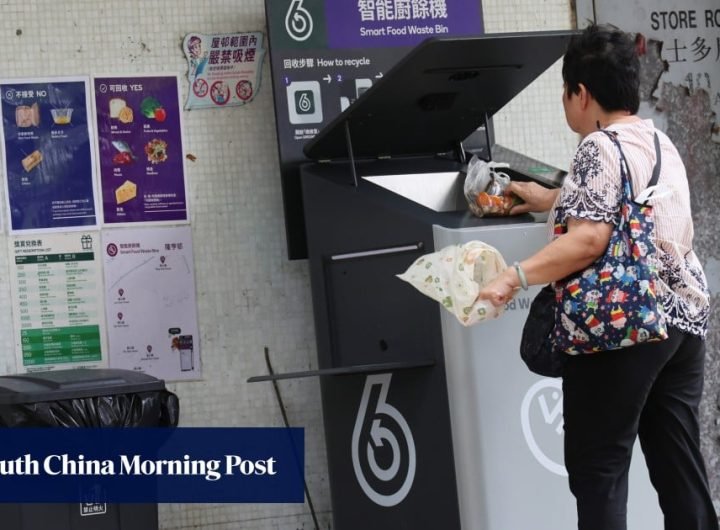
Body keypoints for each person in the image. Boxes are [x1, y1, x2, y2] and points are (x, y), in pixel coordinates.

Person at [478, 24, 717, 530]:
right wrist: (550, 199)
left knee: (599, 474)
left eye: (566, 92)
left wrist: (512, 277)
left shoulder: (598, 147)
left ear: (581, 93)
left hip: (623, 327)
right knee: (679, 473)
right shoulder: (659, 141)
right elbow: (634, 211)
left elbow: (590, 238)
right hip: (680, 324)